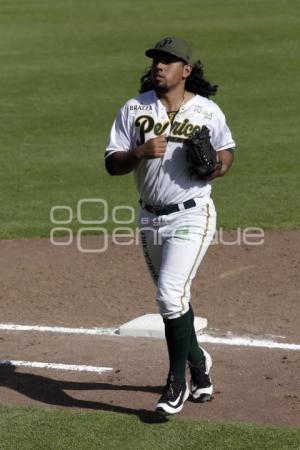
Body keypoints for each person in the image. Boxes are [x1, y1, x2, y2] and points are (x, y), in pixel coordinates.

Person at [104, 37, 235, 416]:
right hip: (149, 216)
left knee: (168, 294)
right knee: (174, 299)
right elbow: (113, 163)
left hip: (192, 213)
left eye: (168, 61)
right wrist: (139, 152)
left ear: (186, 70)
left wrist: (217, 167)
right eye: (157, 60)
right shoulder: (134, 108)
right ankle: (199, 365)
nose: (159, 66)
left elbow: (226, 153)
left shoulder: (207, 111)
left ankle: (175, 384)